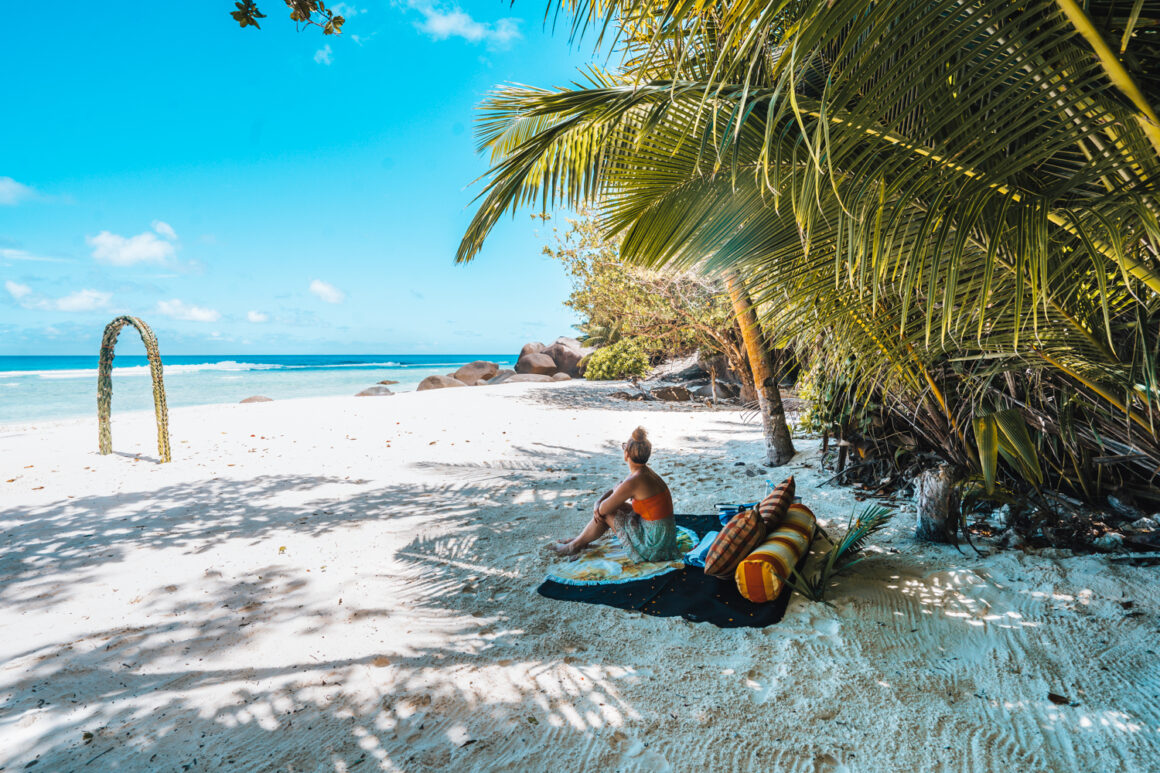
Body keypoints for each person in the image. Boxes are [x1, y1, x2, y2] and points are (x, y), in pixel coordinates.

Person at [551, 426, 680, 562]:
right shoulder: (644, 473)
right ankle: (580, 540)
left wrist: (598, 504)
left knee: (607, 512)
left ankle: (574, 545)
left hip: (654, 545)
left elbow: (603, 509)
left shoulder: (634, 480)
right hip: (661, 536)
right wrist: (599, 501)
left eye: (624, 446)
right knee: (617, 507)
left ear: (627, 454)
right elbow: (616, 491)